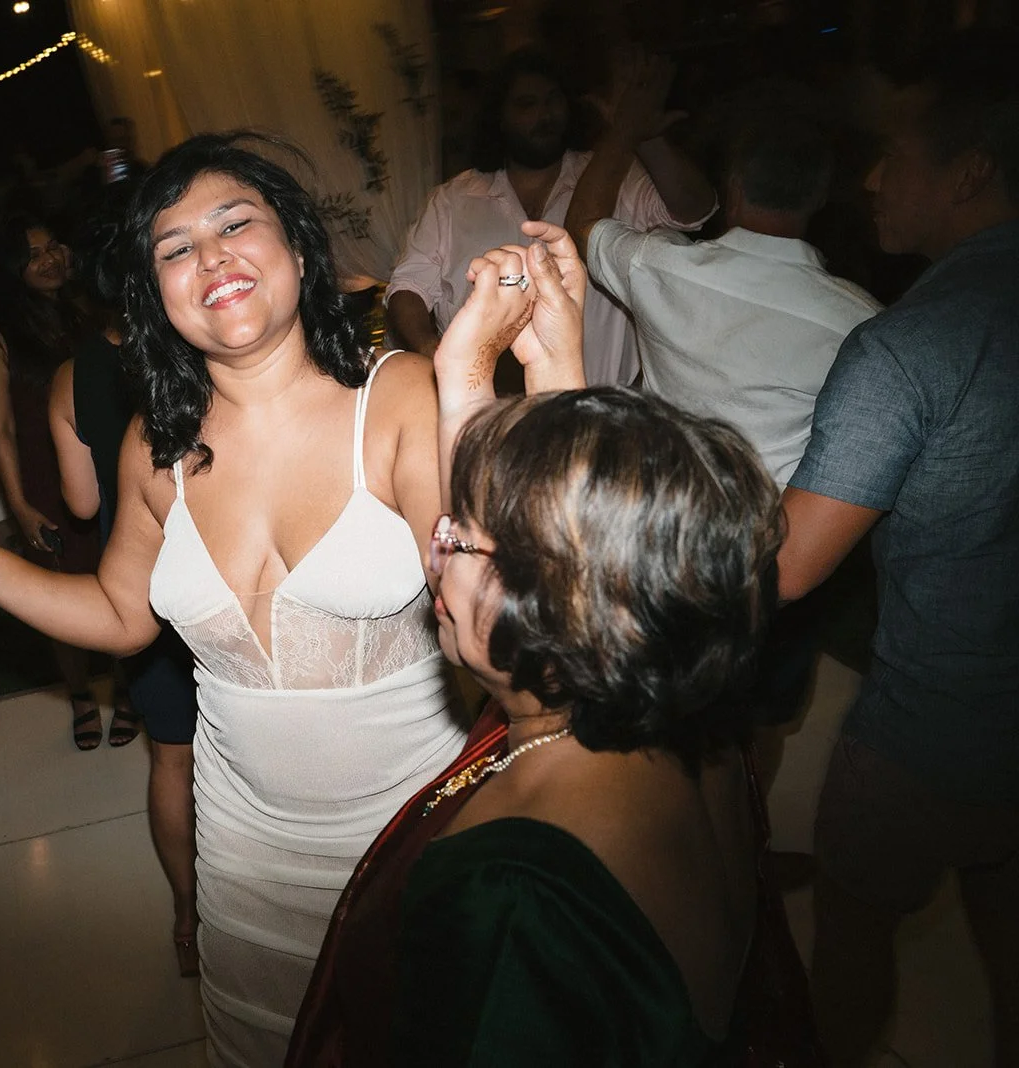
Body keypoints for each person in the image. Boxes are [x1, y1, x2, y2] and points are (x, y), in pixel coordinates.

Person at [0, 133, 583, 1066]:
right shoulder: (154, 445)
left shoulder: (396, 399)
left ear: (299, 249)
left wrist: (506, 373)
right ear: (154, 295)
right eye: (176, 247)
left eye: (235, 225)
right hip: (243, 860)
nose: (212, 256)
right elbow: (120, 616)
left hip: (415, 839)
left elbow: (517, 615)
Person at [292, 386, 811, 1067]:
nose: (436, 552)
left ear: (567, 603)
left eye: (463, 538)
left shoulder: (512, 893)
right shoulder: (698, 724)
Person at [775, 34, 1019, 1068]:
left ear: (968, 172)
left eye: (895, 154)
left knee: (849, 944)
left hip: (926, 733)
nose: (871, 178)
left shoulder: (905, 348)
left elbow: (785, 566)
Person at [565, 92, 881, 488]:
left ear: (733, 189)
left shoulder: (658, 266)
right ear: (818, 198)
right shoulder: (861, 323)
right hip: (775, 521)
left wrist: (624, 131)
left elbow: (583, 224)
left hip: (657, 509)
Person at [48, 190, 202, 977]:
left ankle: (188, 918)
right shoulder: (204, 346)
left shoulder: (71, 376)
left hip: (138, 581)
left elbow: (80, 504)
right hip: (221, 568)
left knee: (171, 760)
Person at [385, 46, 717, 387]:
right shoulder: (452, 200)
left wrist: (640, 133)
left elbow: (694, 210)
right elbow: (408, 288)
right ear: (499, 117)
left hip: (601, 405)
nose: (545, 115)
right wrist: (434, 353)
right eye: (527, 104)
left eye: (553, 100)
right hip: (483, 407)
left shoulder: (611, 175)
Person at [0, 213, 128, 749]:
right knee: (62, 587)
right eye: (34, 254)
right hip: (44, 476)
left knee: (121, 580)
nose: (50, 259)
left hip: (103, 465)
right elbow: (0, 429)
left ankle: (126, 690)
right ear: (13, 269)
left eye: (54, 246)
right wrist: (18, 506)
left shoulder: (93, 314)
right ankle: (80, 694)